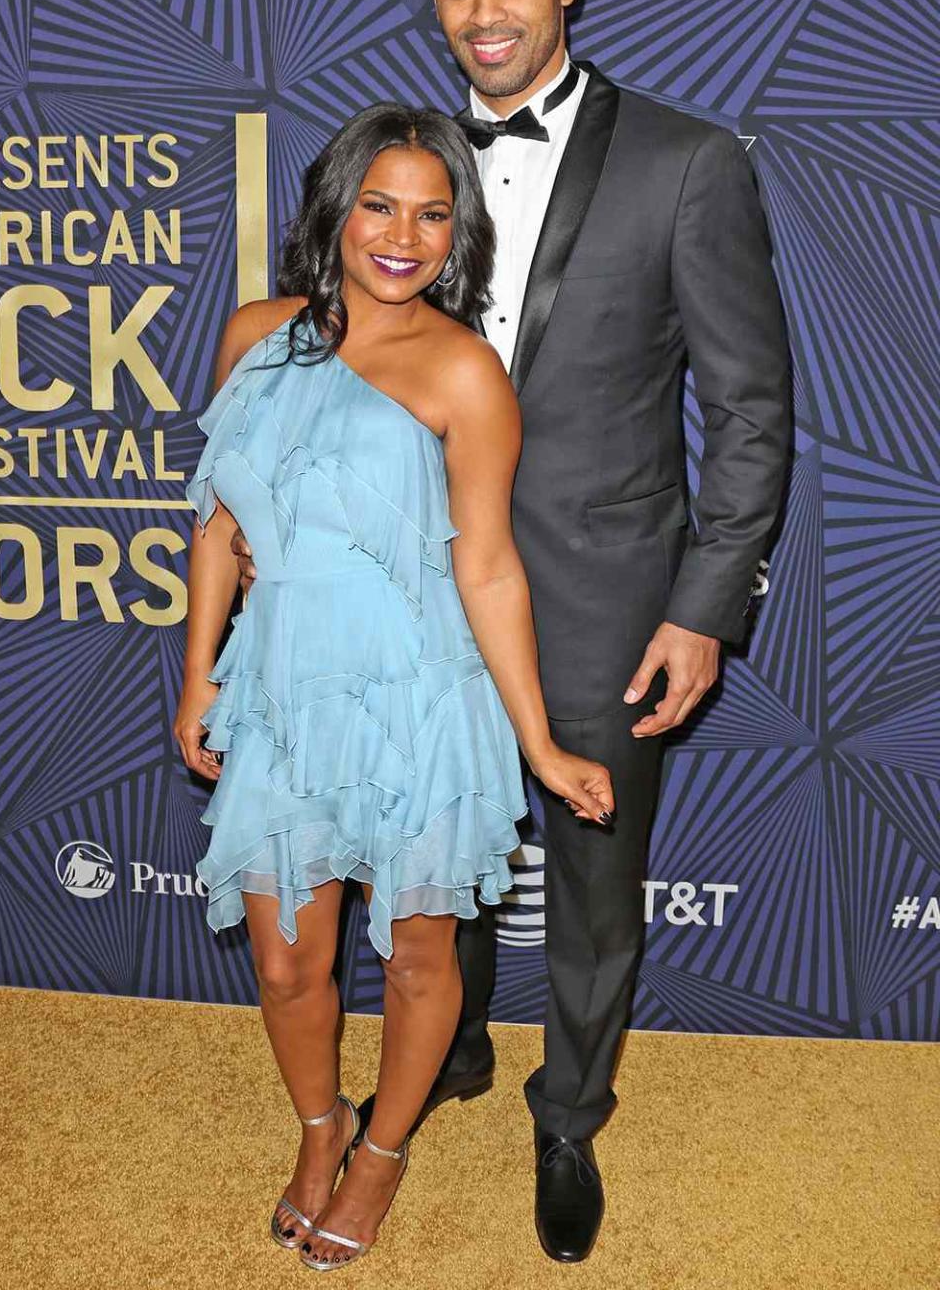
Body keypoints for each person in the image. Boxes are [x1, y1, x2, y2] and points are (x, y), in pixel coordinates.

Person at [173, 104, 615, 1270]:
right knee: (285, 959)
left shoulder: (465, 371)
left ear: (456, 234)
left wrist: (541, 742)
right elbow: (219, 525)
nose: (403, 235)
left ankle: (382, 1151)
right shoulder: (255, 335)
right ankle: (322, 1129)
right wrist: (194, 680)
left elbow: (489, 565)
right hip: (281, 689)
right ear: (337, 209)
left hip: (421, 694)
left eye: (432, 213)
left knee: (419, 957)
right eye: (379, 204)